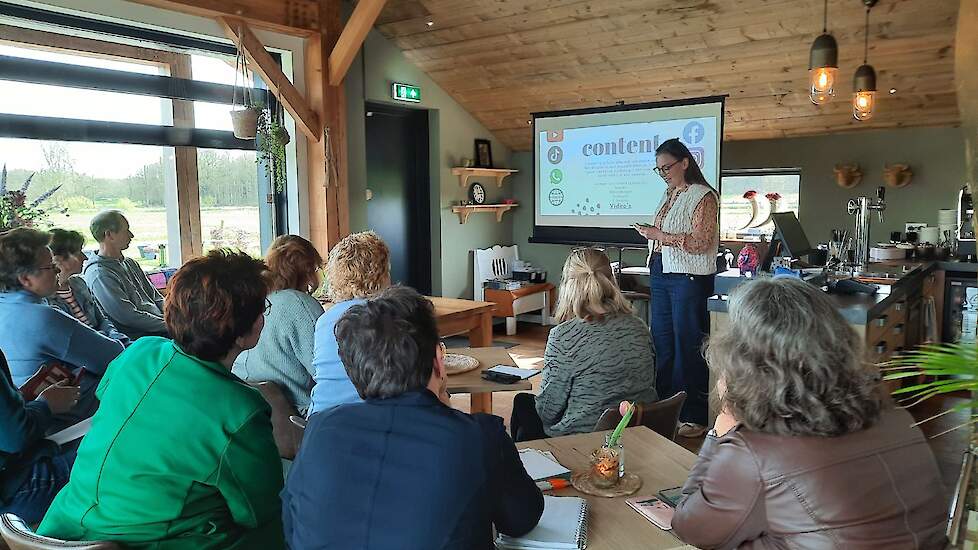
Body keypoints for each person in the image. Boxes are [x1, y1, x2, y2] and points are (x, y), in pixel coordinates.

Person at [672, 277, 947, 549]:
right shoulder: (893, 414)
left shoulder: (754, 452)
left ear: (742, 360)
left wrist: (720, 433)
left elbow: (689, 527)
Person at [38, 250, 285, 550]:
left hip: (61, 527)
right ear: (252, 329)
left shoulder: (139, 353)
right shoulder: (240, 409)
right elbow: (259, 511)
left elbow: (110, 401)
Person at [283, 286, 544, 549]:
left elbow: (292, 524)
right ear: (439, 361)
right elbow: (522, 518)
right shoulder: (479, 437)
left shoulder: (319, 431)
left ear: (354, 371)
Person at [510, 248, 657, 441]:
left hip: (583, 440)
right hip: (638, 431)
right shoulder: (639, 327)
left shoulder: (564, 337)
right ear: (611, 281)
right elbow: (650, 381)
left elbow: (547, 411)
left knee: (522, 404)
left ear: (569, 286)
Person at [633, 138, 718, 438]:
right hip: (661, 270)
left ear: (685, 162)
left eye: (667, 167)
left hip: (688, 277)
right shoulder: (668, 194)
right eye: (659, 170)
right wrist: (651, 235)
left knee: (688, 345)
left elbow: (701, 242)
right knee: (664, 343)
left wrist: (660, 234)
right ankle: (664, 409)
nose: (664, 173)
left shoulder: (704, 196)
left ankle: (694, 414)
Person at [0, 228, 124, 430]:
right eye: (51, 267)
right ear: (26, 279)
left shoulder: (6, 308)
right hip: (69, 426)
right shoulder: (43, 318)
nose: (58, 272)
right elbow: (116, 357)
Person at [233, 235, 325, 413]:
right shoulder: (299, 304)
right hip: (300, 416)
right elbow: (327, 373)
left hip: (253, 409)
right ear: (307, 269)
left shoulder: (252, 300)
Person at [307, 231, 391, 416]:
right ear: (381, 274)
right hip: (370, 423)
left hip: (319, 420)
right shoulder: (388, 316)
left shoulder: (324, 321)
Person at [0, 348, 80, 525]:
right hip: (13, 488)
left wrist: (18, 398)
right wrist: (46, 405)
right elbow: (15, 437)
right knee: (107, 459)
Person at [82, 210, 168, 339]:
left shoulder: (130, 263)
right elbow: (129, 317)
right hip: (142, 337)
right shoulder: (99, 274)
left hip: (162, 326)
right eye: (126, 230)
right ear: (109, 235)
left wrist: (176, 316)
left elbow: (156, 297)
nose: (131, 235)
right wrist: (171, 326)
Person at [48, 228, 130, 346]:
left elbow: (103, 320)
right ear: (58, 259)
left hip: (111, 343)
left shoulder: (79, 284)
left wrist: (120, 341)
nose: (85, 258)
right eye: (78, 253)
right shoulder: (47, 301)